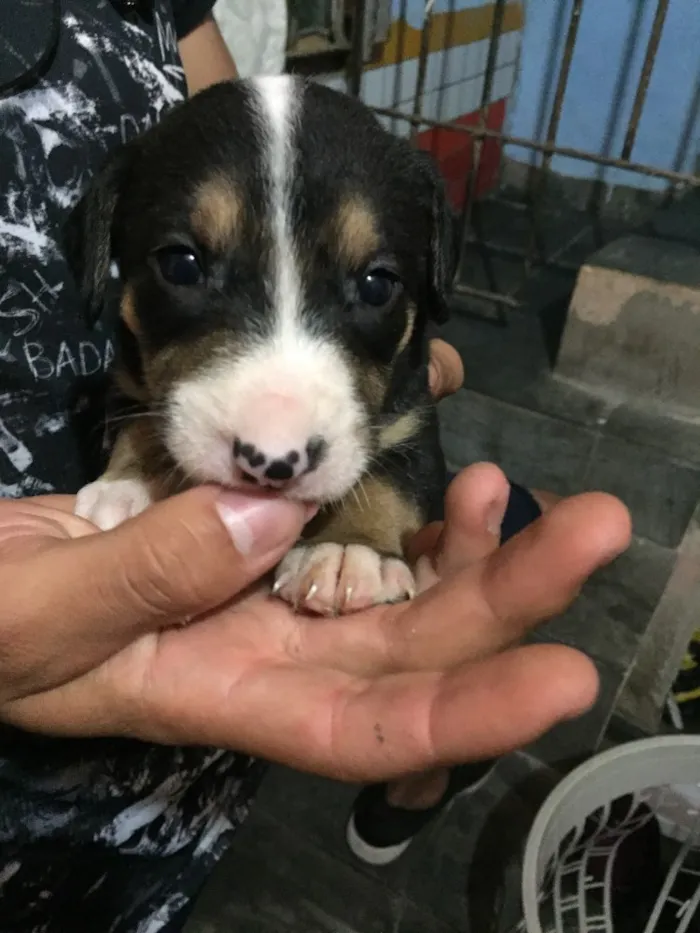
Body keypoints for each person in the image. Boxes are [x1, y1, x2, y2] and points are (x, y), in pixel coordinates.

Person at [0, 3, 632, 931]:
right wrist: (141, 444)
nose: (276, 442)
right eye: (182, 263)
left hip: (219, 752)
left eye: (375, 285)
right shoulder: (121, 224)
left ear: (423, 289)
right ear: (112, 254)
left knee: (502, 536)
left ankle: (425, 767)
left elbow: (253, 143)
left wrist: (368, 527)